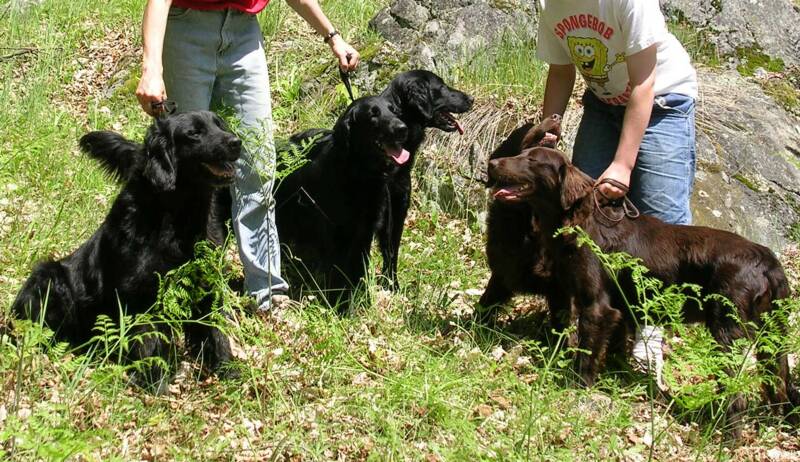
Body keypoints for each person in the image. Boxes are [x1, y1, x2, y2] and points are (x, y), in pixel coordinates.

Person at [135, 0, 360, 311]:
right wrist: (151, 67)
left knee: (257, 165)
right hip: (187, 28)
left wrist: (332, 37)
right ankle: (187, 290)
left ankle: (266, 291)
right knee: (185, 170)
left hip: (244, 33)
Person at [536, 0, 698, 383]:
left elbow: (644, 82)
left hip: (663, 101)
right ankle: (592, 315)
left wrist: (623, 164)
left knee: (663, 220)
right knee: (581, 213)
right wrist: (549, 128)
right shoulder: (549, 4)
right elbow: (561, 71)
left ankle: (651, 332)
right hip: (603, 105)